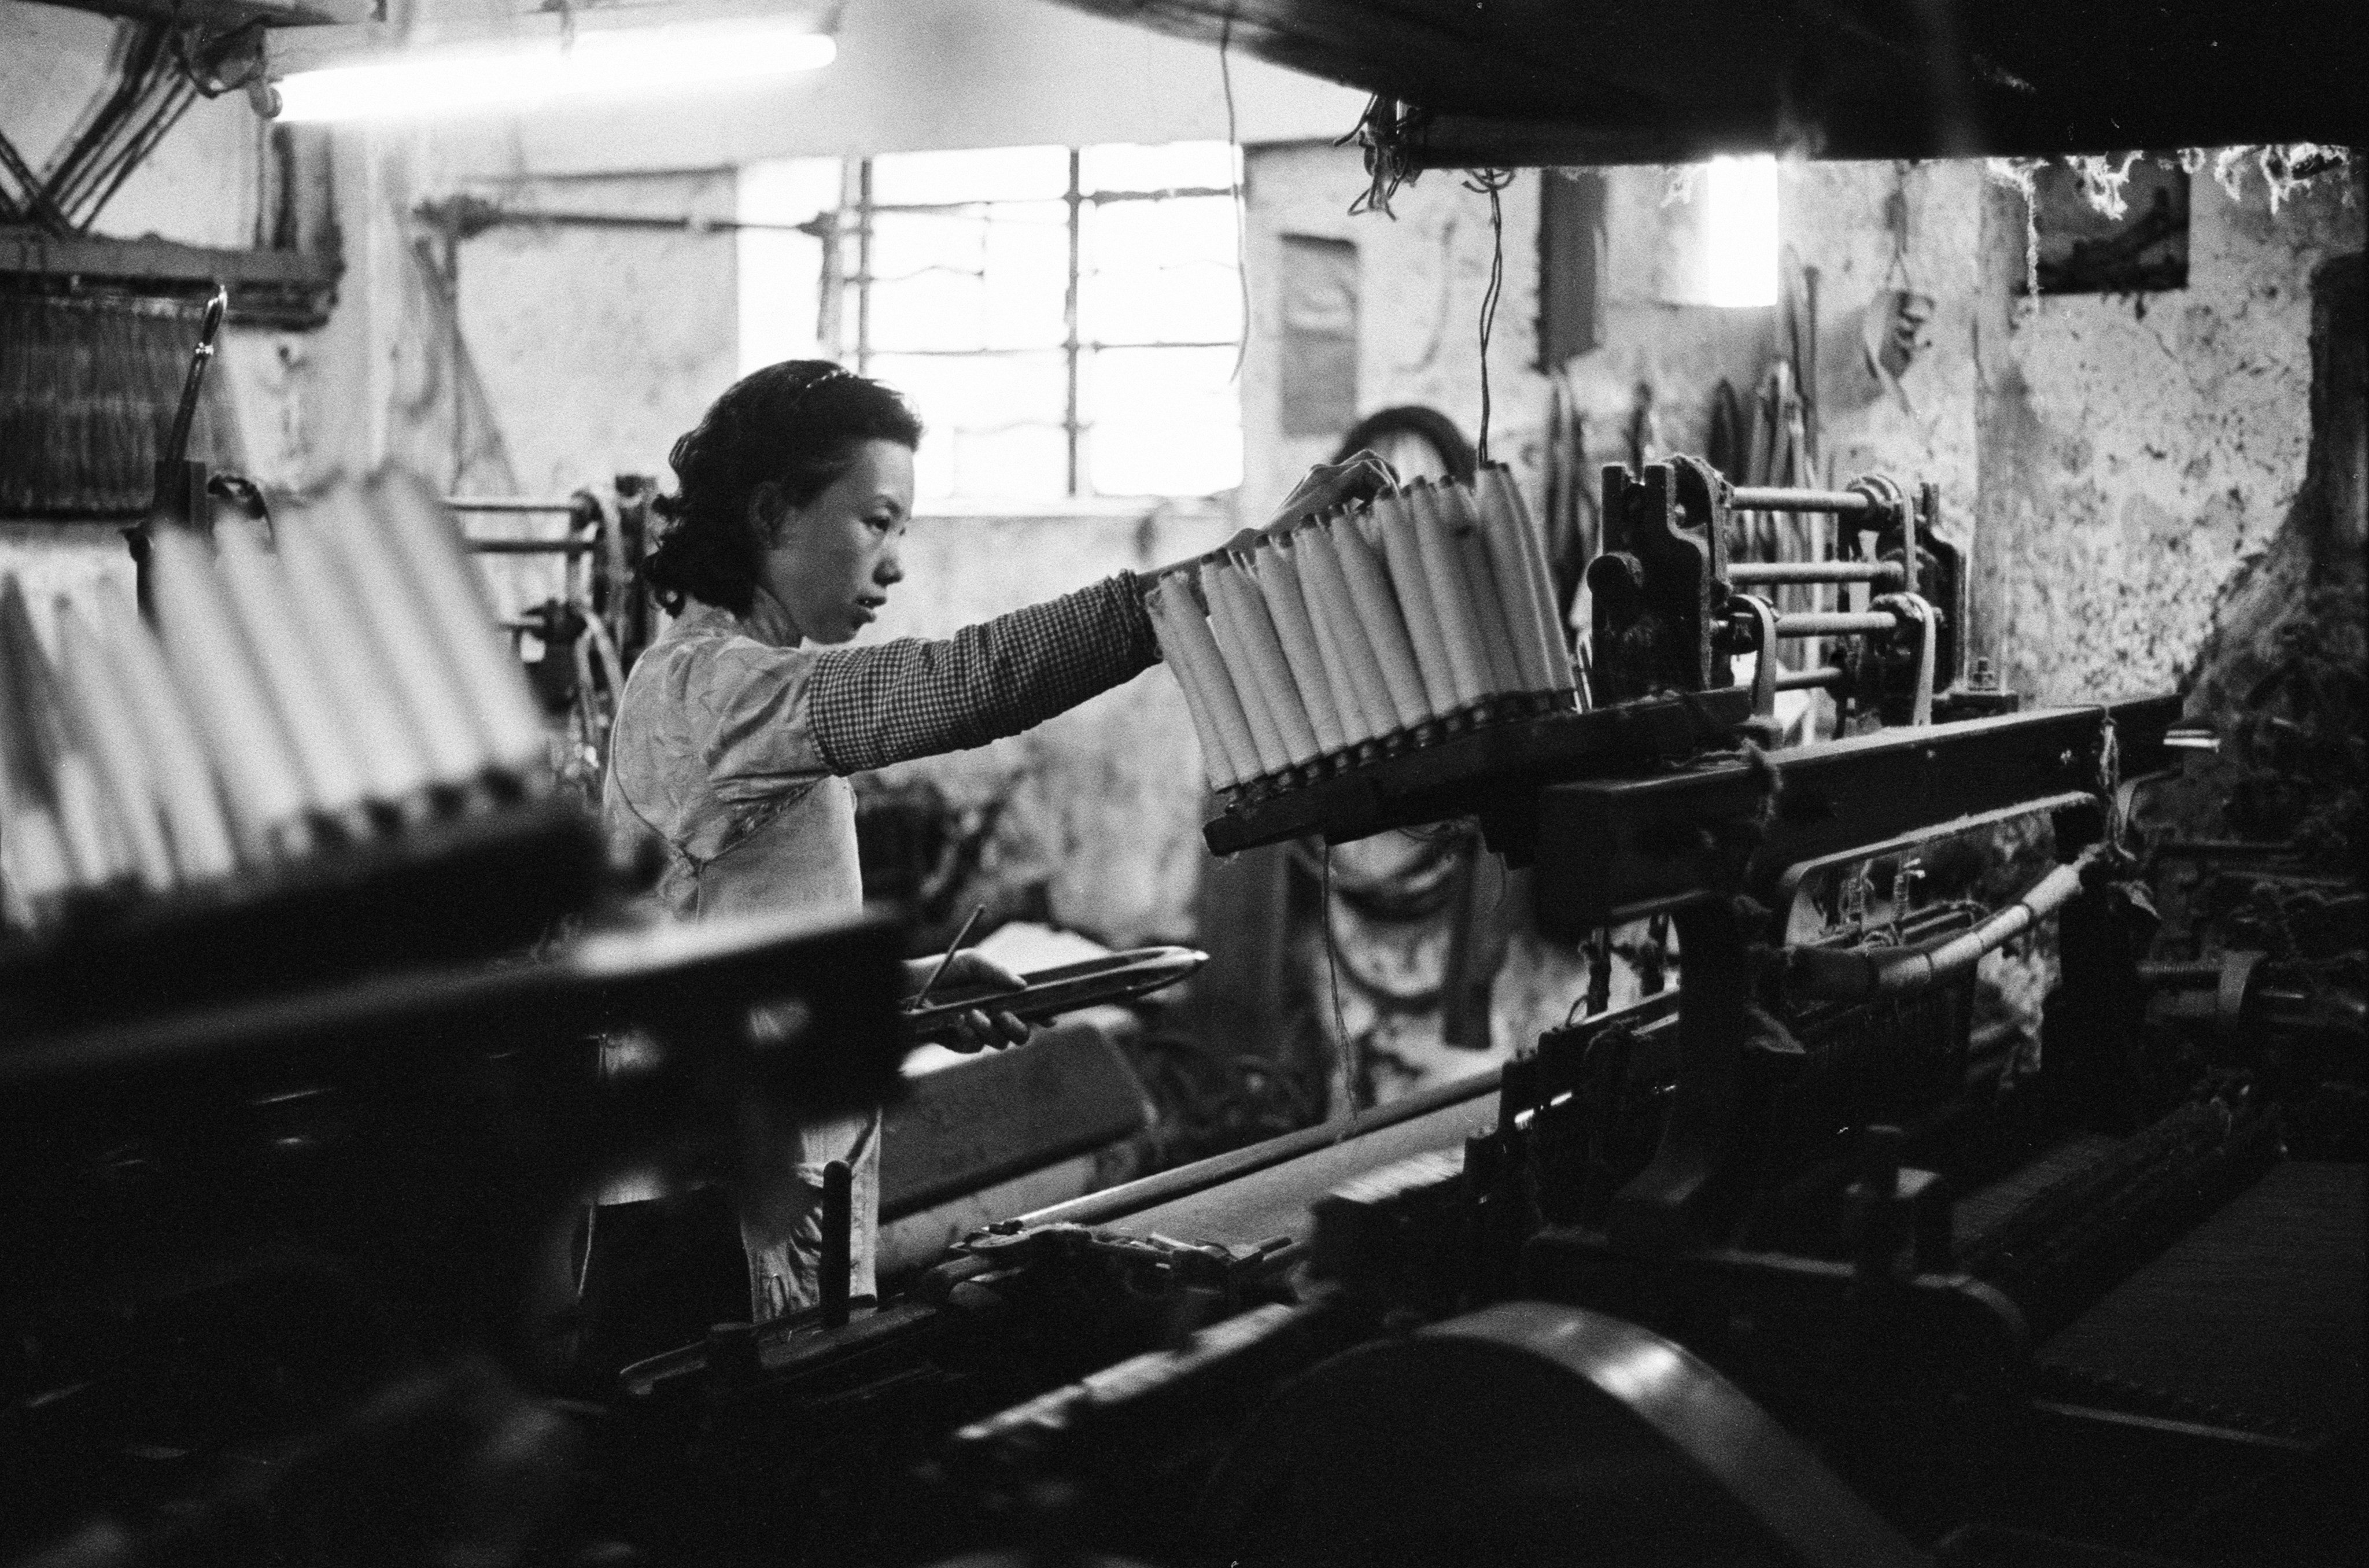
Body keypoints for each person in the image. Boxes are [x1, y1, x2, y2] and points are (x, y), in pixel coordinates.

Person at [603, 359, 1387, 1324]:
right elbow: (968, 683)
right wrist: (1242, 564)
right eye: (874, 521)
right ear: (772, 516)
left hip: (756, 1204)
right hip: (706, 1232)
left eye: (901, 530)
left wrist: (917, 986)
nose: (893, 563)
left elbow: (729, 973)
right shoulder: (708, 691)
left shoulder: (737, 690)